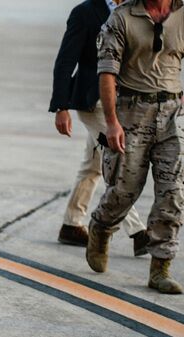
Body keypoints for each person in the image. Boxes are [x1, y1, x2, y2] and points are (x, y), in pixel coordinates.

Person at [88, 0, 184, 294]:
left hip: (171, 114)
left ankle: (160, 267)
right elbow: (106, 73)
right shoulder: (121, 17)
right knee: (125, 189)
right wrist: (112, 122)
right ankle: (102, 226)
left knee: (173, 191)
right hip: (132, 110)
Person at [49, 0, 148, 256]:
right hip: (93, 104)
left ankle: (71, 224)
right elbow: (65, 60)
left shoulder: (134, 9)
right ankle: (138, 232)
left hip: (123, 103)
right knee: (117, 159)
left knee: (93, 164)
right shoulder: (84, 13)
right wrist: (61, 106)